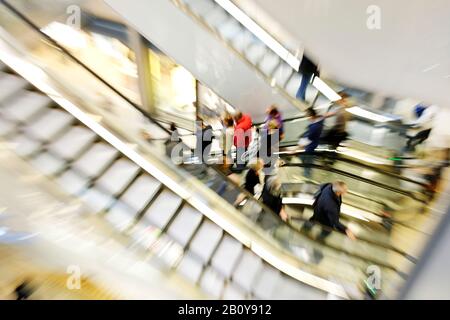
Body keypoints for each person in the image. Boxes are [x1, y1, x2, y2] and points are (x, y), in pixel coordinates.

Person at [298, 108, 324, 179]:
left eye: (307, 116)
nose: (306, 118)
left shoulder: (315, 127)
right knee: (304, 158)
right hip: (313, 144)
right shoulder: (319, 119)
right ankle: (306, 172)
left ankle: (307, 176)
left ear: (311, 116)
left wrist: (297, 147)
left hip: (311, 147)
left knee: (308, 160)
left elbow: (309, 139)